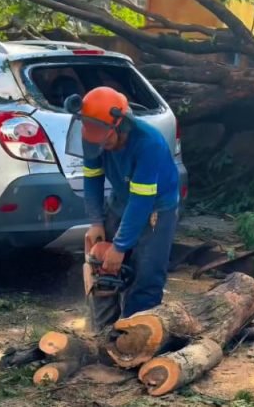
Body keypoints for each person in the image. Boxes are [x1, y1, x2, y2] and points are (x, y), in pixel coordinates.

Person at [74, 86, 180, 332]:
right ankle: (102, 334)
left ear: (120, 124)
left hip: (156, 209)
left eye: (106, 139)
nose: (101, 145)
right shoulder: (92, 131)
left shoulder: (148, 143)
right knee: (103, 268)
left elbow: (142, 200)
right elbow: (92, 177)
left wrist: (120, 246)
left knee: (146, 276)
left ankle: (134, 335)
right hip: (121, 201)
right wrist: (96, 222)